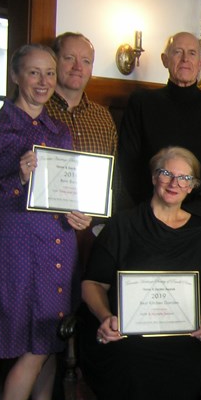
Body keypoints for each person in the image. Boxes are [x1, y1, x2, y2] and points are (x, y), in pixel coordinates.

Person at [80, 146, 201, 400]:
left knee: (185, 363)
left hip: (179, 335)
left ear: (193, 185)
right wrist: (104, 318)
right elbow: (93, 284)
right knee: (133, 363)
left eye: (184, 177)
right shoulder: (123, 225)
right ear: (153, 177)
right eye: (166, 174)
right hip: (124, 332)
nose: (174, 183)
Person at [0, 44, 92, 400]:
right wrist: (17, 179)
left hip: (59, 243)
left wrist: (77, 213)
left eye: (50, 73)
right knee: (31, 343)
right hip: (20, 247)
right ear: (16, 76)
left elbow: (66, 190)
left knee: (52, 334)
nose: (45, 81)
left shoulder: (59, 130)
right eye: (34, 73)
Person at [118, 32, 201, 241]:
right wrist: (155, 209)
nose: (185, 59)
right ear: (165, 60)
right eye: (178, 52)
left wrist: (198, 213)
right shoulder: (141, 104)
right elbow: (129, 162)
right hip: (149, 217)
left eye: (192, 53)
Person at [45, 32, 119, 262]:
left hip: (90, 232)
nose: (78, 66)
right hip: (43, 231)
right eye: (69, 58)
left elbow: (113, 178)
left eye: (86, 61)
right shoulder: (36, 110)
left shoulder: (102, 117)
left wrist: (98, 218)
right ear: (54, 62)